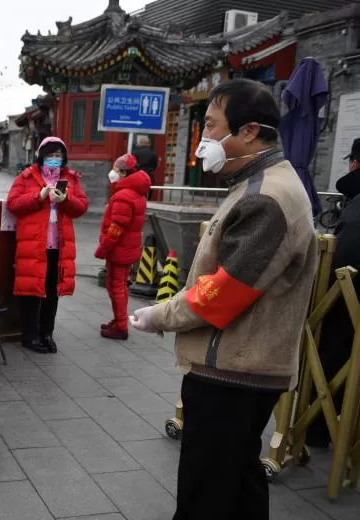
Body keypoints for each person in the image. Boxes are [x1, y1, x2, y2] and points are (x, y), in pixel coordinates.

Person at [130, 79, 318, 520]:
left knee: (206, 488)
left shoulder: (266, 197)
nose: (204, 139)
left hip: (234, 370)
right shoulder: (257, 182)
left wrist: (158, 315)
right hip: (244, 365)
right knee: (237, 480)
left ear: (249, 131)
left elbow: (220, 294)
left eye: (211, 127)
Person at [6, 136, 89, 353]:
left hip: (59, 247)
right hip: (34, 245)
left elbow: (81, 207)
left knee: (53, 291)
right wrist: (38, 196)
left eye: (58, 155)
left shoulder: (71, 179)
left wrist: (67, 200)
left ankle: (47, 334)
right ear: (41, 156)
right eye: (50, 155)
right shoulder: (26, 177)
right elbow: (13, 204)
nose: (55, 159)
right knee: (32, 292)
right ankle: (30, 336)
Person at [306, 137, 360, 448]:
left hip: (345, 308)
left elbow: (342, 264)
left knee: (330, 361)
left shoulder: (355, 214)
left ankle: (317, 429)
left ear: (354, 164)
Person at [95, 153, 151, 340]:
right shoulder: (135, 192)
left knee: (116, 286)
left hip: (119, 249)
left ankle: (120, 326)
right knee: (120, 286)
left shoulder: (124, 195)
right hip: (128, 247)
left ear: (126, 173)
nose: (113, 173)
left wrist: (103, 248)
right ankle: (119, 320)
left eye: (117, 170)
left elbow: (116, 228)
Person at [132, 135, 158, 200]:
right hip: (149, 175)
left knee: (137, 191)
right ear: (148, 144)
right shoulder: (153, 154)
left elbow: (132, 165)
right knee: (149, 189)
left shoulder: (134, 153)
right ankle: (148, 201)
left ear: (139, 143)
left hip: (137, 175)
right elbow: (155, 166)